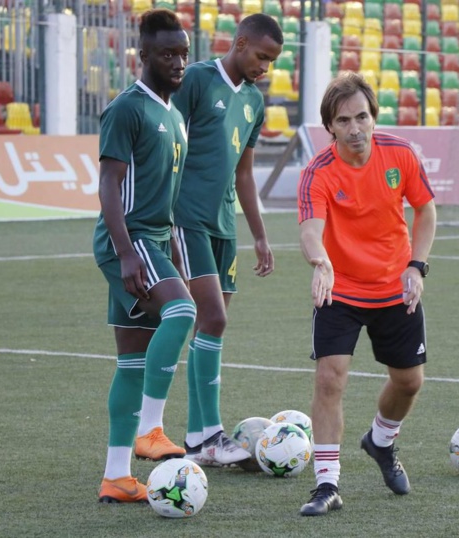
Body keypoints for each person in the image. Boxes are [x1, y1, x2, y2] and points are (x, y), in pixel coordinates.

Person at [296, 72, 437, 516]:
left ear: (374, 117)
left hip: (396, 286)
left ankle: (380, 441)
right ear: (331, 127)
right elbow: (310, 231)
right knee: (329, 378)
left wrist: (417, 265)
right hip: (340, 287)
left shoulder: (400, 154)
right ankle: (326, 485)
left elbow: (426, 210)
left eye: (362, 116)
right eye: (344, 120)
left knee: (409, 382)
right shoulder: (317, 172)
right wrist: (321, 263)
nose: (355, 128)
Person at [170, 13, 283, 466]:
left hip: (223, 224)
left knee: (210, 327)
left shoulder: (254, 100)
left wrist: (258, 234)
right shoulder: (197, 80)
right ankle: (209, 435)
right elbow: (165, 145)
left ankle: (199, 441)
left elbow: (244, 173)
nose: (265, 67)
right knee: (212, 317)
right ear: (239, 43)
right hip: (187, 218)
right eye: (261, 56)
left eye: (272, 61)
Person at [93, 9, 194, 503]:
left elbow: (165, 193)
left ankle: (116, 476)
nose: (177, 62)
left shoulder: (175, 117)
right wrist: (127, 251)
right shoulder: (127, 108)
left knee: (132, 361)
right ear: (144, 56)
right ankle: (150, 430)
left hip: (155, 241)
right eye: (167, 53)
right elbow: (109, 184)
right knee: (182, 313)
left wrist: (172, 244)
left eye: (183, 54)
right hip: (131, 241)